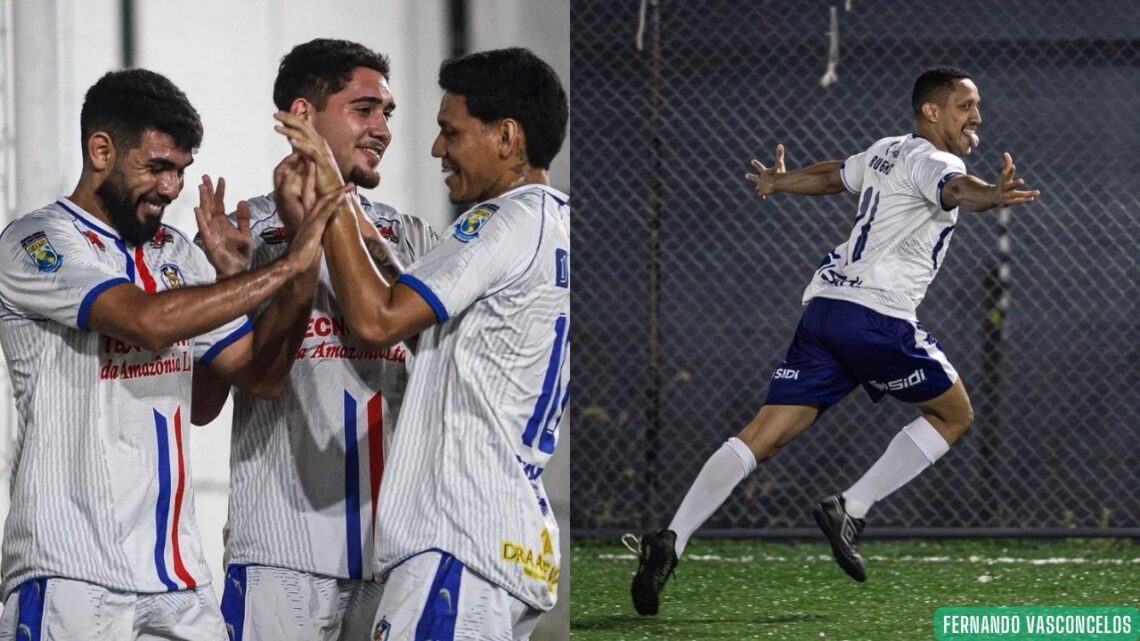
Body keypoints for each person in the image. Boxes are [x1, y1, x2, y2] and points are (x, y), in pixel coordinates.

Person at [628, 65, 1041, 615]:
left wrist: (778, 181)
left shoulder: (887, 150)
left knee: (762, 436)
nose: (977, 116)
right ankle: (853, 505)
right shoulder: (935, 161)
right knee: (954, 415)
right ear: (931, 112)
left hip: (825, 311)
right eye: (965, 105)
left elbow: (832, 176)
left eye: (977, 106)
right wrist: (992, 195)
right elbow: (956, 189)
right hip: (877, 318)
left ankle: (671, 539)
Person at [0, 69, 340, 640]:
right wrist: (287, 265)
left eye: (180, 171)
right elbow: (146, 321)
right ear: (101, 150)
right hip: (71, 573)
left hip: (178, 579)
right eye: (157, 167)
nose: (171, 187)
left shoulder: (175, 253)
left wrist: (276, 283)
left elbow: (257, 376)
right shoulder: (36, 242)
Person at [274, 47, 569, 640]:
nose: (438, 149)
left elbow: (379, 320)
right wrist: (356, 221)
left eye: (450, 131)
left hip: (458, 543)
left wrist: (330, 196)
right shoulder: (553, 222)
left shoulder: (501, 221)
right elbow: (417, 314)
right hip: (505, 541)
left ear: (507, 137)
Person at [195, 39, 436, 641]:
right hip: (280, 556)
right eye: (364, 109)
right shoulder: (239, 235)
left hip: (398, 553)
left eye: (387, 113)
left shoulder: (411, 238)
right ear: (302, 116)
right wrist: (238, 283)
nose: (382, 128)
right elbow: (200, 404)